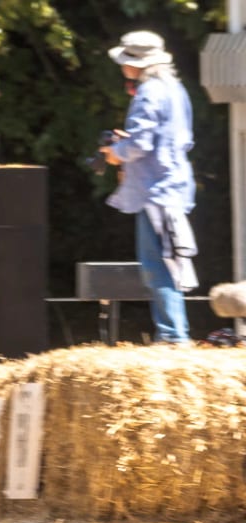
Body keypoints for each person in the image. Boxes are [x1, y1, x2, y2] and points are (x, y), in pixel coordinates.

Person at [101, 30, 197, 345]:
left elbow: (141, 142)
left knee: (158, 265)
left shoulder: (149, 92)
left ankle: (172, 337)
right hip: (173, 185)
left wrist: (116, 153)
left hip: (155, 190)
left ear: (134, 65)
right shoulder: (175, 89)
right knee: (168, 262)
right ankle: (172, 335)